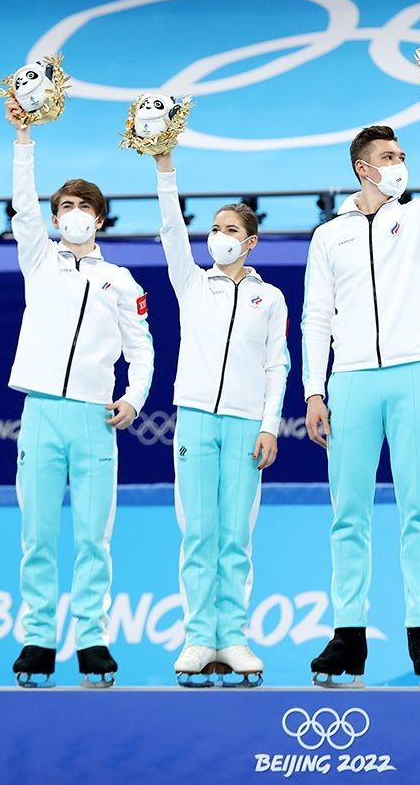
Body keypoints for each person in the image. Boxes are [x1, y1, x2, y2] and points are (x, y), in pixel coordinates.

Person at [301, 92, 420, 687]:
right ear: (364, 168)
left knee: (419, 508)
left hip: (415, 373)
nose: (401, 164)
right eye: (389, 156)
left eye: (402, 155)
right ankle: (348, 637)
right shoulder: (329, 237)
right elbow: (315, 317)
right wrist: (314, 391)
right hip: (350, 381)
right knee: (348, 513)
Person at [3, 96, 154, 688]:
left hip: (95, 418)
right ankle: (38, 639)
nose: (72, 214)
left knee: (94, 537)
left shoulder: (120, 281)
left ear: (100, 219)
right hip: (40, 412)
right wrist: (24, 138)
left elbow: (142, 349)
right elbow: (22, 203)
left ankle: (91, 638)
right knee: (37, 535)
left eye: (82, 207)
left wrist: (134, 398)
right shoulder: (39, 260)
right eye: (64, 207)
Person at [148, 149, 289, 687]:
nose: (219, 236)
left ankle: (232, 638)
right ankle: (197, 637)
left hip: (245, 425)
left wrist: (269, 425)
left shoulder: (269, 298)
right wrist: (165, 167)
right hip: (196, 420)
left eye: (231, 230)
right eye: (214, 228)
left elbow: (276, 364)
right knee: (198, 532)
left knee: (235, 535)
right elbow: (170, 229)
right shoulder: (192, 284)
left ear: (250, 242)